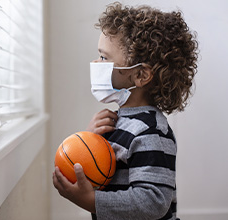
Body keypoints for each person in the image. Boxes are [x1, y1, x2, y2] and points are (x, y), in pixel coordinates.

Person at [52, 2, 198, 220]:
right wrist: (90, 140)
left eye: (104, 58)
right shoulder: (119, 121)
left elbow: (153, 202)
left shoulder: (152, 132)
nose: (95, 62)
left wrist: (91, 202)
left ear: (140, 75)